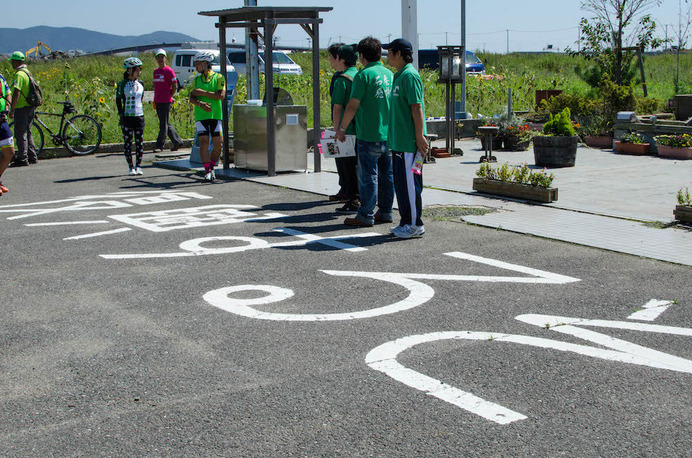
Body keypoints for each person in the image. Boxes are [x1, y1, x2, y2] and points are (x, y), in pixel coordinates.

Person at [335, 36, 394, 227]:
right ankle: (385, 211)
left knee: (368, 176)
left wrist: (341, 129)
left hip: (368, 133)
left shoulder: (363, 76)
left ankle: (365, 214)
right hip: (389, 134)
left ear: (361, 56)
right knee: (387, 176)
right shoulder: (390, 75)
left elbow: (352, 106)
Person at [387, 38, 429, 238]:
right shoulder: (399, 76)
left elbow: (417, 107)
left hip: (409, 143)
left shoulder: (410, 76)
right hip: (398, 142)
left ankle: (414, 224)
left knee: (411, 186)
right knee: (402, 186)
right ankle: (405, 221)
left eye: (390, 52)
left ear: (399, 54)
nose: (387, 56)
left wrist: (419, 137)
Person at [330, 44, 360, 214]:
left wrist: (337, 130)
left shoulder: (342, 80)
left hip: (346, 131)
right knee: (359, 167)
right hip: (361, 129)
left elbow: (337, 107)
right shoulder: (360, 76)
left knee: (347, 168)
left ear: (341, 59)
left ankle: (352, 200)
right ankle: (360, 197)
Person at [189, 51, 226, 182]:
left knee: (218, 144)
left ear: (205, 63)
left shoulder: (219, 77)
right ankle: (207, 171)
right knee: (204, 143)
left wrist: (203, 92)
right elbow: (192, 97)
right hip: (201, 115)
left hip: (215, 115)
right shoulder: (197, 80)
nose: (196, 67)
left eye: (198, 64)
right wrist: (200, 103)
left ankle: (211, 166)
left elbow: (220, 95)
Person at [116, 57, 146, 175]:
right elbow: (118, 100)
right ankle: (130, 167)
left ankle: (138, 166)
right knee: (128, 142)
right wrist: (121, 115)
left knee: (140, 143)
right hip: (127, 117)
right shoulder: (122, 84)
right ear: (129, 70)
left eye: (140, 69)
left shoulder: (141, 83)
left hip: (139, 116)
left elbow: (141, 98)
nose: (139, 72)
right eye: (136, 69)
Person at [8, 51, 37, 167]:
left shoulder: (19, 74)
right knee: (28, 131)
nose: (11, 64)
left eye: (12, 62)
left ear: (16, 62)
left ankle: (22, 158)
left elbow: (16, 92)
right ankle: (32, 156)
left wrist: (12, 108)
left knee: (20, 133)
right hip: (30, 106)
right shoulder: (27, 72)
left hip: (21, 107)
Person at [153, 49, 183, 152]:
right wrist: (154, 100)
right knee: (165, 123)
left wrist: (170, 96)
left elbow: (174, 86)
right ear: (156, 59)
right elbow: (156, 88)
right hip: (158, 101)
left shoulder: (169, 71)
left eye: (162, 57)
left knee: (163, 124)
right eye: (158, 57)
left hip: (166, 101)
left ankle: (159, 146)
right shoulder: (155, 72)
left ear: (165, 58)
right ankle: (177, 141)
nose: (160, 59)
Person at [0, 72, 14, 195]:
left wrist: (8, 106)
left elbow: (8, 93)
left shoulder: (1, 77)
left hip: (1, 120)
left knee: (9, 152)